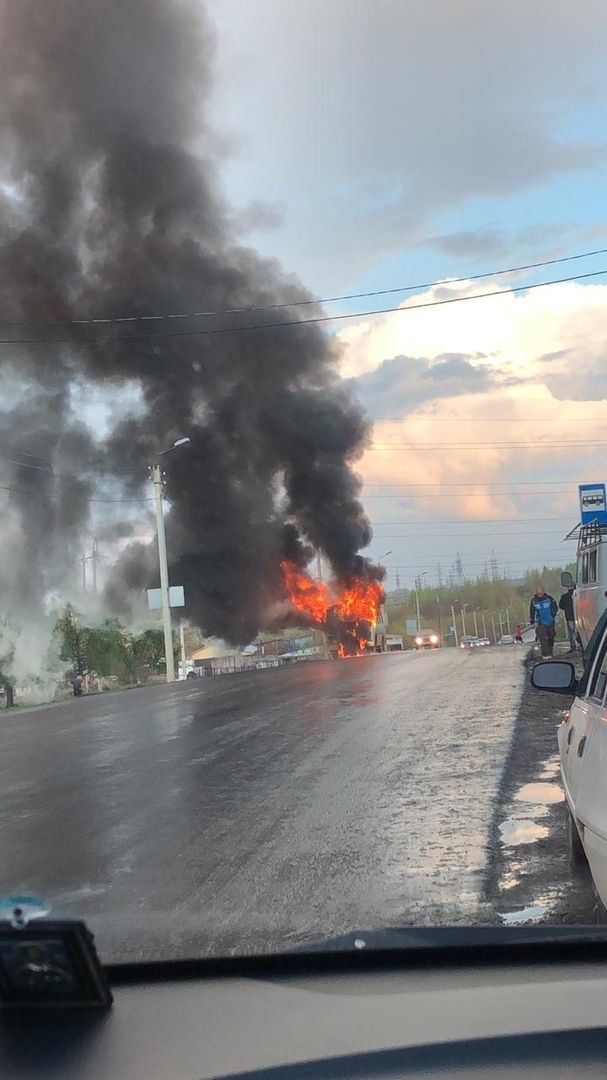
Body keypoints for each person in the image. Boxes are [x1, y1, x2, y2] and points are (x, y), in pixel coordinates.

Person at [529, 584, 558, 658]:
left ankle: (550, 650)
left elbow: (555, 607)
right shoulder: (534, 601)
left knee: (551, 636)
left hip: (550, 622)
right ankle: (545, 654)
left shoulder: (549, 599)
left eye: (541, 591)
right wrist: (532, 622)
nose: (539, 593)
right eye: (538, 592)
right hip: (540, 623)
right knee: (543, 638)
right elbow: (532, 612)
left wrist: (553, 615)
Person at [559, 585, 578, 653]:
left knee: (571, 632)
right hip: (579, 615)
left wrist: (567, 609)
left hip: (569, 616)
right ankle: (579, 644)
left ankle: (573, 646)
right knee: (578, 630)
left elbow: (560, 605)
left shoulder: (564, 596)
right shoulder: (578, 595)